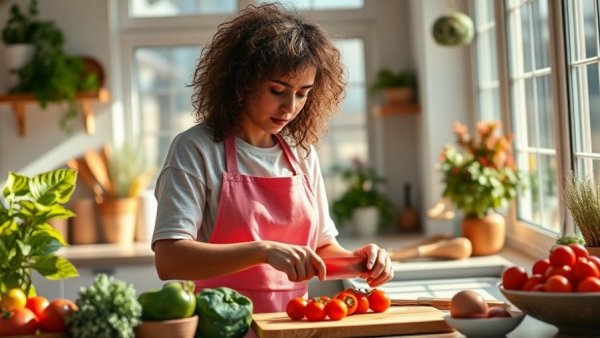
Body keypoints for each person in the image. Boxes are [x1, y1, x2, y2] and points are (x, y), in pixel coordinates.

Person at [152, 2, 394, 314]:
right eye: (277, 90)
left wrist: (362, 261)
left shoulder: (300, 152)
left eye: (303, 93)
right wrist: (263, 251)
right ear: (242, 80)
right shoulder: (196, 148)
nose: (290, 107)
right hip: (222, 325)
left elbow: (320, 250)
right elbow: (170, 260)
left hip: (293, 322)